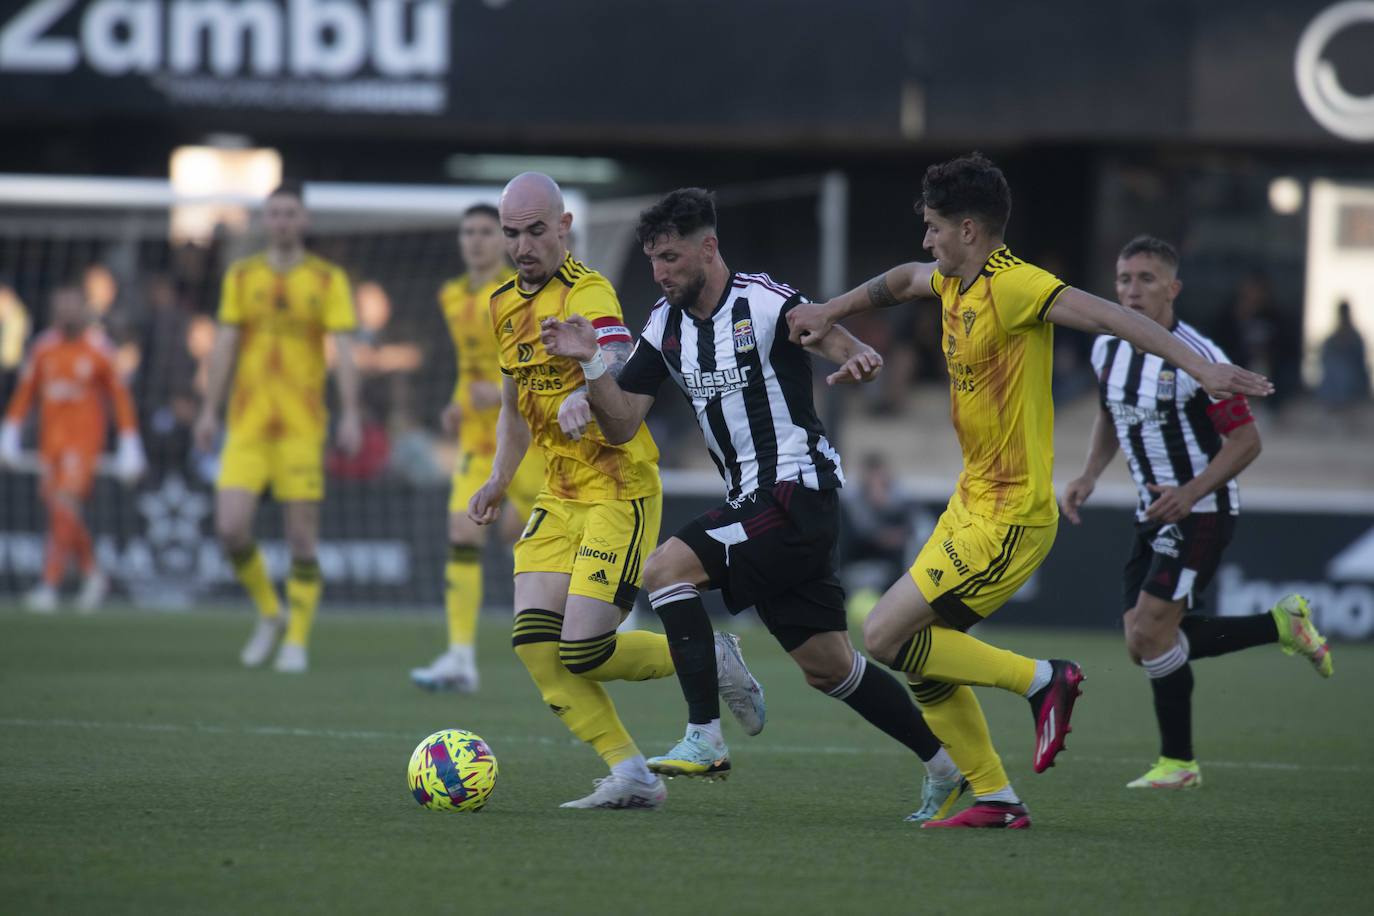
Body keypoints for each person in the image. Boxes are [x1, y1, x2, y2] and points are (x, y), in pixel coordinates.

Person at [786, 153, 1274, 828]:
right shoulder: (951, 279)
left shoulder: (1016, 284)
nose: (926, 240)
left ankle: (1044, 680)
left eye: (932, 227)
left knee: (884, 634)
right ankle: (997, 799)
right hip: (971, 502)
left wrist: (1202, 366)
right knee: (925, 662)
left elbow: (1109, 317)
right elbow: (901, 280)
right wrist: (831, 308)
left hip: (1011, 514)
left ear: (968, 229)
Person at [541, 187, 969, 824]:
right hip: (758, 503)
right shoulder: (663, 324)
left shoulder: (764, 301)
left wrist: (859, 358)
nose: (660, 273)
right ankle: (944, 767)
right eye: (654, 260)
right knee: (828, 667)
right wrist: (594, 365)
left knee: (665, 570)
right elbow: (625, 421)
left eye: (672, 258)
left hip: (797, 491)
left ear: (708, 247)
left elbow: (829, 337)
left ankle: (705, 737)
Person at [469, 173, 761, 811]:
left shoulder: (588, 289)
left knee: (584, 649)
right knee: (536, 648)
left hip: (618, 488)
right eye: (512, 233)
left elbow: (620, 358)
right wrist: (497, 475)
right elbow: (515, 408)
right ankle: (631, 773)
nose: (523, 245)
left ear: (564, 227)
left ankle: (710, 657)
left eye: (536, 231)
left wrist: (582, 391)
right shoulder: (499, 306)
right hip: (559, 492)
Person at [1060, 235, 1332, 789]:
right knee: (1142, 640)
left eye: (1146, 279)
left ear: (1173, 288)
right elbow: (1112, 414)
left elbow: (1247, 441)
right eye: (1123, 280)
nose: (1131, 291)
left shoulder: (1201, 358)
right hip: (1153, 510)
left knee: (1152, 633)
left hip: (1200, 510)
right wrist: (1089, 473)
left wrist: (1189, 491)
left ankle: (1179, 764)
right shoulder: (1105, 346)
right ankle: (1282, 624)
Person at [193, 182, 363, 673]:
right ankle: (270, 612)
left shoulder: (327, 279)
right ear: (266, 221)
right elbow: (224, 345)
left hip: (301, 427)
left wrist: (351, 412)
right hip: (246, 425)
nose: (284, 221)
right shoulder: (242, 277)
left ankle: (297, 640)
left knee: (301, 538)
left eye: (291, 213)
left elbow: (344, 350)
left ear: (303, 221)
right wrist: (209, 410)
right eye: (275, 214)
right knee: (229, 529)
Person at [410, 204, 545, 692]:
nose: (476, 240)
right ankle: (461, 658)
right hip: (475, 438)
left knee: (552, 537)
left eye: (487, 231)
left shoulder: (521, 292)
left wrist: (499, 390)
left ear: (505, 240)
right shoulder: (451, 296)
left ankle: (619, 609)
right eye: (468, 231)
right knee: (462, 532)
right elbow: (471, 366)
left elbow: (538, 362)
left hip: (526, 433)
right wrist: (455, 402)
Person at [1, 283, 146, 612]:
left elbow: (120, 399)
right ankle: (93, 573)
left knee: (64, 503)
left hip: (83, 443)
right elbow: (25, 393)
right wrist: (9, 430)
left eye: (71, 306)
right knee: (61, 510)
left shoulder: (100, 350)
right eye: (60, 307)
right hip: (49, 444)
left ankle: (49, 586)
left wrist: (129, 442)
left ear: (84, 309)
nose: (65, 313)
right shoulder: (42, 348)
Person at [1317, 301, 1371, 412]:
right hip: (1332, 390)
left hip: (1353, 386)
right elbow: (1324, 359)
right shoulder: (1331, 339)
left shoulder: (1356, 338)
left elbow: (1361, 363)